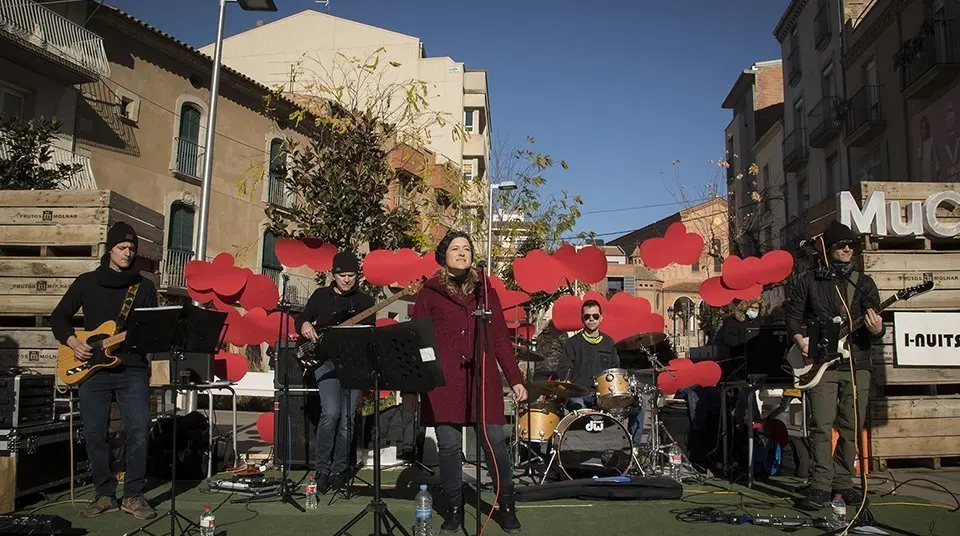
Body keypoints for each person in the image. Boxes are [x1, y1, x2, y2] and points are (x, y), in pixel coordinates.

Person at [411, 231, 526, 534]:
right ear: (443, 255)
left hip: (482, 379)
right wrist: (418, 381)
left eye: (466, 248)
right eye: (455, 248)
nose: (461, 253)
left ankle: (508, 505)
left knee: (495, 444)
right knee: (448, 448)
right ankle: (453, 509)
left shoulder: (486, 292)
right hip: (442, 383)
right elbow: (418, 340)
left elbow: (500, 339)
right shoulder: (428, 293)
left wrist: (515, 379)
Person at [50, 222, 158, 520]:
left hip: (132, 369)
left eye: (132, 249)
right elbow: (58, 317)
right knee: (95, 433)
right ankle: (104, 494)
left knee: (138, 432)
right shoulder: (87, 282)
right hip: (91, 370)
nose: (127, 253)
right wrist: (73, 342)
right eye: (122, 247)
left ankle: (133, 495)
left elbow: (152, 330)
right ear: (109, 249)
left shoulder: (144, 286)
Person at [785, 220, 884, 510]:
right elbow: (793, 315)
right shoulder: (809, 280)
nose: (848, 250)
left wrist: (877, 328)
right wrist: (800, 339)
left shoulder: (862, 283)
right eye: (842, 246)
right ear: (828, 250)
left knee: (851, 425)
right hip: (821, 363)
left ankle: (843, 481)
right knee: (822, 425)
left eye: (851, 245)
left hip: (856, 362)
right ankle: (820, 485)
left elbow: (877, 328)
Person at [296, 251, 375, 494]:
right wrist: (305, 325)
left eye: (352, 275)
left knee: (348, 418)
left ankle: (340, 470)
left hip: (353, 364)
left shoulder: (365, 302)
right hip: (325, 362)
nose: (347, 280)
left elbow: (370, 334)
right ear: (333, 275)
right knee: (331, 413)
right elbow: (303, 317)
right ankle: (322, 470)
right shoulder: (321, 295)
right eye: (342, 276)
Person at [557, 300, 643, 446]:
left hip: (605, 395)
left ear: (601, 318)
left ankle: (633, 449)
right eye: (587, 316)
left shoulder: (609, 343)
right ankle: (583, 448)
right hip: (580, 394)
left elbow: (616, 369)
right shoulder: (572, 343)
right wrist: (566, 381)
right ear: (582, 319)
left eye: (595, 316)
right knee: (578, 406)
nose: (591, 319)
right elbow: (564, 368)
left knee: (638, 405)